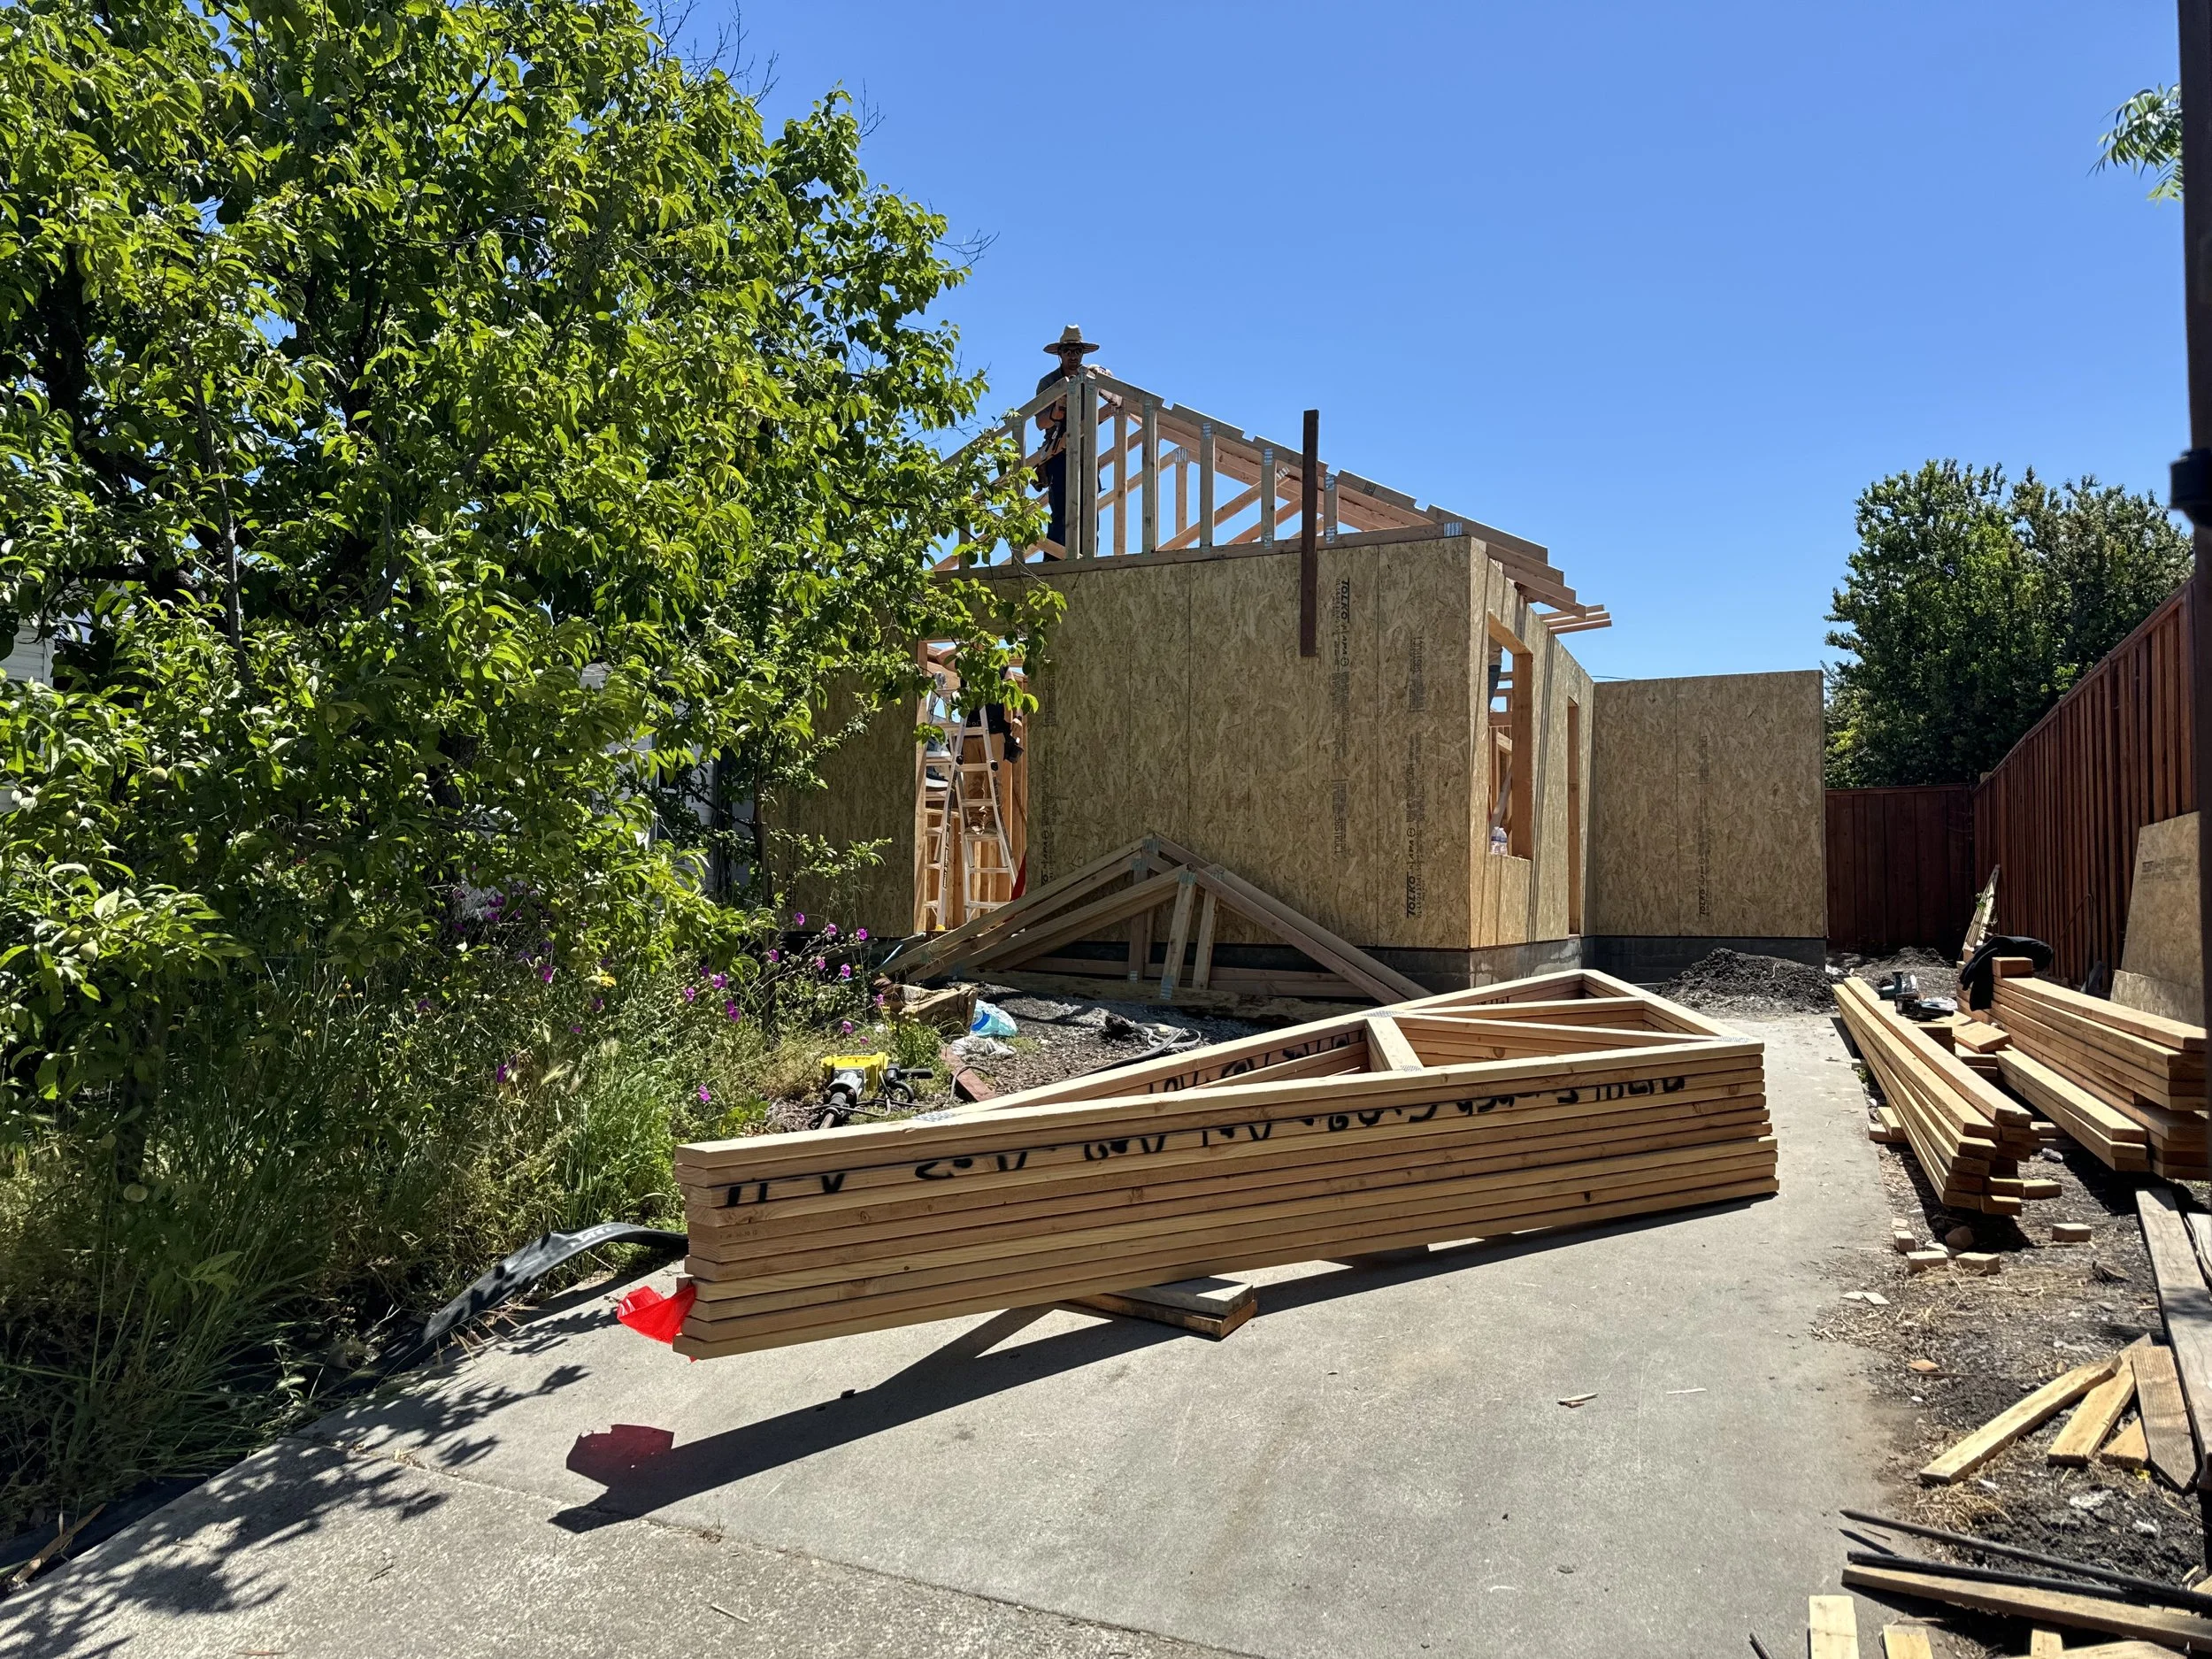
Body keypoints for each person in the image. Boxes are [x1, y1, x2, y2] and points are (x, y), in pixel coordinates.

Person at [1034, 326, 1099, 550]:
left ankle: (1089, 558)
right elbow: (1040, 422)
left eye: (1077, 351)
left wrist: (1101, 373)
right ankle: (1054, 561)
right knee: (1061, 513)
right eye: (1068, 351)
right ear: (1060, 354)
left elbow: (1112, 391)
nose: (1073, 356)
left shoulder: (1090, 377)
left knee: (1090, 511)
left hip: (1086, 453)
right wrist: (1057, 410)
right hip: (1058, 452)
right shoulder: (1048, 383)